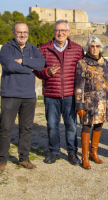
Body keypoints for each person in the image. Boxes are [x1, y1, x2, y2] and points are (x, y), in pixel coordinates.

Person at [0, 22, 46, 174]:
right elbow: (9, 66)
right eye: (19, 32)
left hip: (28, 96)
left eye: (25, 32)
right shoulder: (6, 49)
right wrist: (29, 68)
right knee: (5, 128)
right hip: (10, 95)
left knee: (26, 128)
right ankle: (2, 160)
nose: (22, 35)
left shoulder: (33, 49)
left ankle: (24, 158)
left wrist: (23, 61)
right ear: (13, 33)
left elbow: (41, 63)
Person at [36, 20, 84, 165]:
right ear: (53, 32)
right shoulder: (44, 49)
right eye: (58, 30)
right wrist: (46, 72)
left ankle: (72, 152)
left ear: (68, 32)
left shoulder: (77, 49)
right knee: (52, 125)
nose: (60, 33)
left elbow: (82, 71)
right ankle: (54, 152)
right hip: (51, 95)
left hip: (70, 95)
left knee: (71, 126)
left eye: (63, 30)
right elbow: (37, 71)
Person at [74, 36, 108, 170]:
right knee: (86, 127)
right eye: (92, 46)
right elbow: (79, 86)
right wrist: (79, 105)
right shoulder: (82, 63)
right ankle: (85, 157)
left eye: (97, 46)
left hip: (101, 101)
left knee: (99, 125)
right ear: (88, 48)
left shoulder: (104, 62)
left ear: (101, 47)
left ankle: (93, 152)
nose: (94, 49)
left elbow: (107, 80)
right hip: (88, 101)